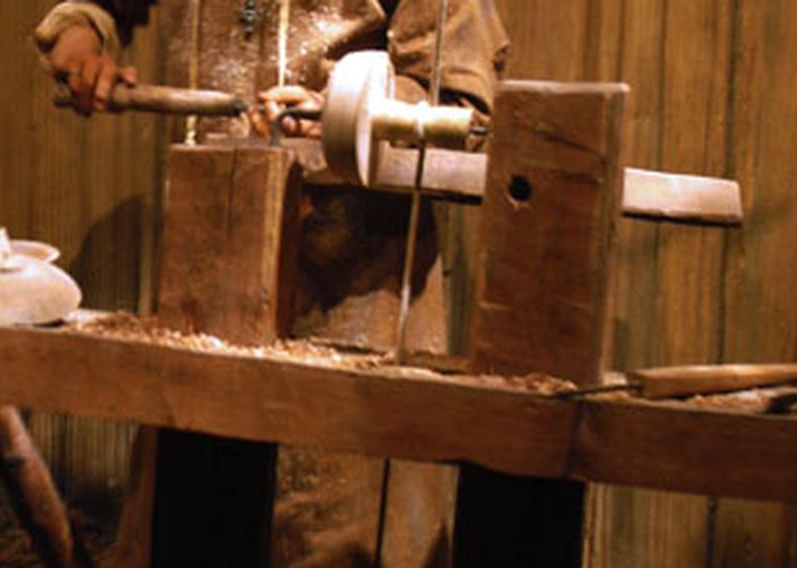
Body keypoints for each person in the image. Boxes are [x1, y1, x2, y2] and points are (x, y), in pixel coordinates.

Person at [34, 1, 508, 564]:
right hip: (209, 276)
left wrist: (349, 114)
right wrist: (81, 36)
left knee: (335, 537)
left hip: (353, 289)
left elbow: (465, 110)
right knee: (188, 523)